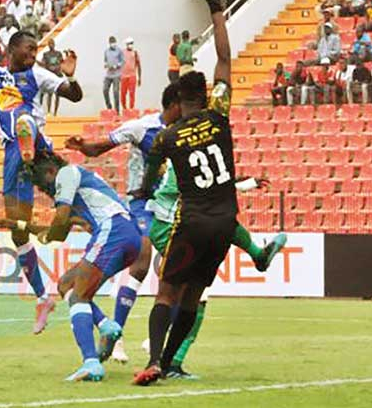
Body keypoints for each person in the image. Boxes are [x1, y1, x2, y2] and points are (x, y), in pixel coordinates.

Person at [65, 84, 284, 368]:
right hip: (149, 206)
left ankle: (164, 356)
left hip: (181, 210)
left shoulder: (184, 135)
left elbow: (209, 174)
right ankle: (120, 336)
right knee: (146, 263)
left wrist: (246, 181)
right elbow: (102, 147)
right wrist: (83, 147)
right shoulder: (145, 129)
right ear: (176, 106)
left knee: (190, 289)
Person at [130, 0, 236, 386]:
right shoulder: (220, 114)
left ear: (179, 101)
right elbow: (226, 58)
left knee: (167, 292)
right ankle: (170, 362)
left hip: (190, 222)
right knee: (194, 295)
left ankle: (154, 360)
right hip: (225, 220)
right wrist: (216, 8)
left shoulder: (168, 137)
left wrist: (143, 187)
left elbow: (152, 169)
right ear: (206, 95)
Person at [0, 28, 82, 333]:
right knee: (18, 230)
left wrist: (70, 78)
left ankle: (31, 146)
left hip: (36, 145)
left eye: (35, 50)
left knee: (24, 119)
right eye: (29, 49)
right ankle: (43, 297)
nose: (33, 54)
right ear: (12, 50)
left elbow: (74, 96)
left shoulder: (38, 75)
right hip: (13, 154)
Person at [0, 149, 147, 382]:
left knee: (79, 297)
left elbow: (59, 222)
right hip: (126, 236)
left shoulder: (67, 173)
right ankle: (106, 325)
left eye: (43, 184)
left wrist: (49, 233)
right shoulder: (76, 186)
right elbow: (59, 233)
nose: (45, 190)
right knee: (65, 284)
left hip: (113, 231)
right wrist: (17, 225)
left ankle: (91, 363)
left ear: (51, 171)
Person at [40, 40, 63, 115]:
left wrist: (58, 68)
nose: (51, 45)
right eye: (49, 44)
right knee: (49, 94)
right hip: (49, 75)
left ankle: (55, 112)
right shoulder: (46, 54)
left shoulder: (58, 54)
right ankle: (49, 111)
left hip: (58, 75)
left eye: (52, 44)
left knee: (58, 94)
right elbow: (43, 63)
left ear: (54, 44)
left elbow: (61, 62)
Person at [102, 36, 124, 113]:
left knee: (115, 92)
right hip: (108, 74)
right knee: (105, 90)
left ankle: (117, 111)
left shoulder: (119, 51)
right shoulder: (106, 51)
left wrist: (117, 65)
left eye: (114, 42)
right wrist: (106, 65)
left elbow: (122, 61)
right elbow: (105, 61)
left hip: (116, 75)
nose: (113, 44)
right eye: (112, 43)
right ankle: (109, 108)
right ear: (109, 43)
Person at [120, 37, 142, 110]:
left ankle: (131, 109)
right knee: (123, 94)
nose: (130, 45)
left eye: (131, 43)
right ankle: (124, 108)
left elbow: (139, 66)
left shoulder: (135, 53)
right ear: (126, 44)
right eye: (129, 44)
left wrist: (139, 78)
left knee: (132, 93)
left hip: (132, 76)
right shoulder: (122, 53)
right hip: (123, 76)